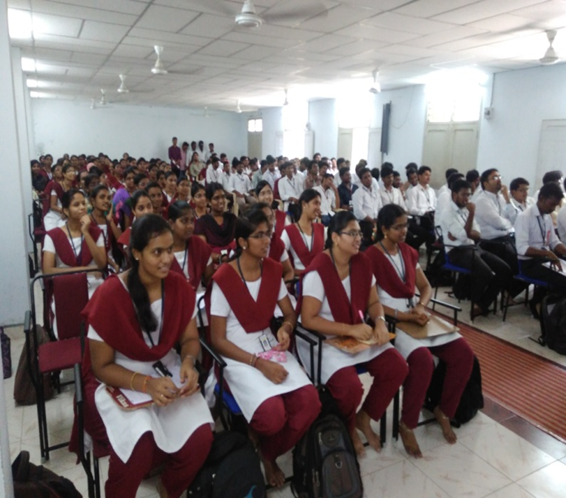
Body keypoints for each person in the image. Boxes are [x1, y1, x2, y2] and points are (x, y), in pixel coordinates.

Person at [85, 215, 213, 497]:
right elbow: (101, 367)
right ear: (136, 253)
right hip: (124, 377)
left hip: (167, 372)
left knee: (200, 439)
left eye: (170, 250)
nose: (167, 259)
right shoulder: (110, 295)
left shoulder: (178, 287)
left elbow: (190, 339)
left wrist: (190, 362)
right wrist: (146, 384)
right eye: (157, 252)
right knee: (137, 449)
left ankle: (169, 488)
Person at [209, 210, 320, 487]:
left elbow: (290, 313)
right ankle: (258, 438)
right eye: (259, 235)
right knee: (272, 416)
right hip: (238, 353)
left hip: (268, 344)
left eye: (268, 233)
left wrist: (286, 328)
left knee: (310, 403)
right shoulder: (224, 277)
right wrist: (258, 364)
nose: (267, 240)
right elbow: (218, 340)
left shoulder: (271, 269)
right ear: (243, 241)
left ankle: (269, 453)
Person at [365, 204, 474, 457]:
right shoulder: (370, 257)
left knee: (463, 353)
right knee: (423, 361)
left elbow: (425, 287)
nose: (404, 231)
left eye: (405, 225)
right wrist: (406, 315)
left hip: (416, 314)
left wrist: (421, 307)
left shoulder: (408, 252)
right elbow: (371, 303)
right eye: (397, 227)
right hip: (390, 319)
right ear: (383, 229)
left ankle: (444, 410)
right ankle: (407, 423)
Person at [299, 211, 408, 455]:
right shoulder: (319, 270)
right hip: (324, 339)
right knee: (350, 389)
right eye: (352, 233)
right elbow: (308, 319)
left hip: (355, 334)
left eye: (360, 232)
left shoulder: (362, 263)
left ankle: (364, 417)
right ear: (335, 238)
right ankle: (348, 425)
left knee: (397, 366)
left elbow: (373, 303)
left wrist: (379, 322)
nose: (359, 238)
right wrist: (351, 329)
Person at [439, 179, 515, 316]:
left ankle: (481, 303)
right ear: (454, 194)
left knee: (505, 269)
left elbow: (477, 234)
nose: (467, 198)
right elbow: (463, 236)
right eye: (463, 195)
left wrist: (467, 232)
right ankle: (479, 304)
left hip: (473, 247)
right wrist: (471, 217)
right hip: (456, 251)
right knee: (485, 273)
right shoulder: (447, 213)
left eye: (469, 195)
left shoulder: (466, 210)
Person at [43, 189, 107, 302]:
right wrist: (86, 270)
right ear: (66, 211)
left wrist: (86, 232)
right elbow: (47, 271)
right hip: (65, 284)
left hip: (93, 283)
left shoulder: (96, 233)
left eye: (84, 203)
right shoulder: (53, 235)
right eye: (76, 205)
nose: (82, 208)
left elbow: (102, 264)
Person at [515, 183, 566, 294]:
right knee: (563, 280)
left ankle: (543, 302)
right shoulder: (524, 217)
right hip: (529, 264)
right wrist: (547, 253)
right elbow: (521, 248)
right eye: (551, 204)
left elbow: (554, 241)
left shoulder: (546, 217)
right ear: (542, 198)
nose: (553, 209)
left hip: (544, 260)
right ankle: (545, 306)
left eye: (556, 205)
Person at [474, 169, 519, 276]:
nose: (499, 180)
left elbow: (516, 219)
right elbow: (498, 223)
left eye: (499, 177)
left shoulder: (501, 198)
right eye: (494, 178)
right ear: (485, 183)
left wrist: (508, 200)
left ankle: (510, 290)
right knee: (514, 264)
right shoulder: (482, 200)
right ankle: (509, 290)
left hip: (505, 240)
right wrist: (510, 224)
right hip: (490, 243)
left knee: (524, 259)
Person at [168, 201, 213, 293]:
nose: (190, 226)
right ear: (171, 224)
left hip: (199, 299)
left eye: (192, 221)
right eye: (184, 221)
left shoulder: (198, 244)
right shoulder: (163, 249)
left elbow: (209, 279)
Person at [281, 189, 324, 275]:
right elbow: (279, 254)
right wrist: (291, 271)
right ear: (304, 204)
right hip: (300, 280)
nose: (318, 208)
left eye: (319, 204)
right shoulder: (289, 231)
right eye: (315, 203)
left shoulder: (321, 229)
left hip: (321, 278)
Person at [249, 202, 294, 283]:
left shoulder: (276, 242)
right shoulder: (246, 242)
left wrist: (284, 285)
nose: (270, 223)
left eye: (271, 218)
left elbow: (289, 271)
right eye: (265, 219)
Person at [194, 182, 237, 264]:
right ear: (208, 201)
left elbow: (241, 242)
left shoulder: (232, 218)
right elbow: (202, 250)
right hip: (212, 264)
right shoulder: (202, 222)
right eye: (216, 198)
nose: (221, 201)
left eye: (223, 197)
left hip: (233, 261)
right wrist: (219, 258)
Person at [89, 185, 122, 273]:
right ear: (93, 201)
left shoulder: (111, 219)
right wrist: (113, 265)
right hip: (93, 262)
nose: (106, 201)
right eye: (102, 197)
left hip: (112, 261)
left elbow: (120, 240)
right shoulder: (88, 221)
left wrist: (110, 221)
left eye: (108, 198)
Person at [43, 164, 73, 231]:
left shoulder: (73, 187)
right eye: (70, 171)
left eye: (74, 171)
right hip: (55, 214)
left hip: (68, 215)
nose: (73, 173)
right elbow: (53, 206)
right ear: (64, 174)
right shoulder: (56, 186)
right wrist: (64, 211)